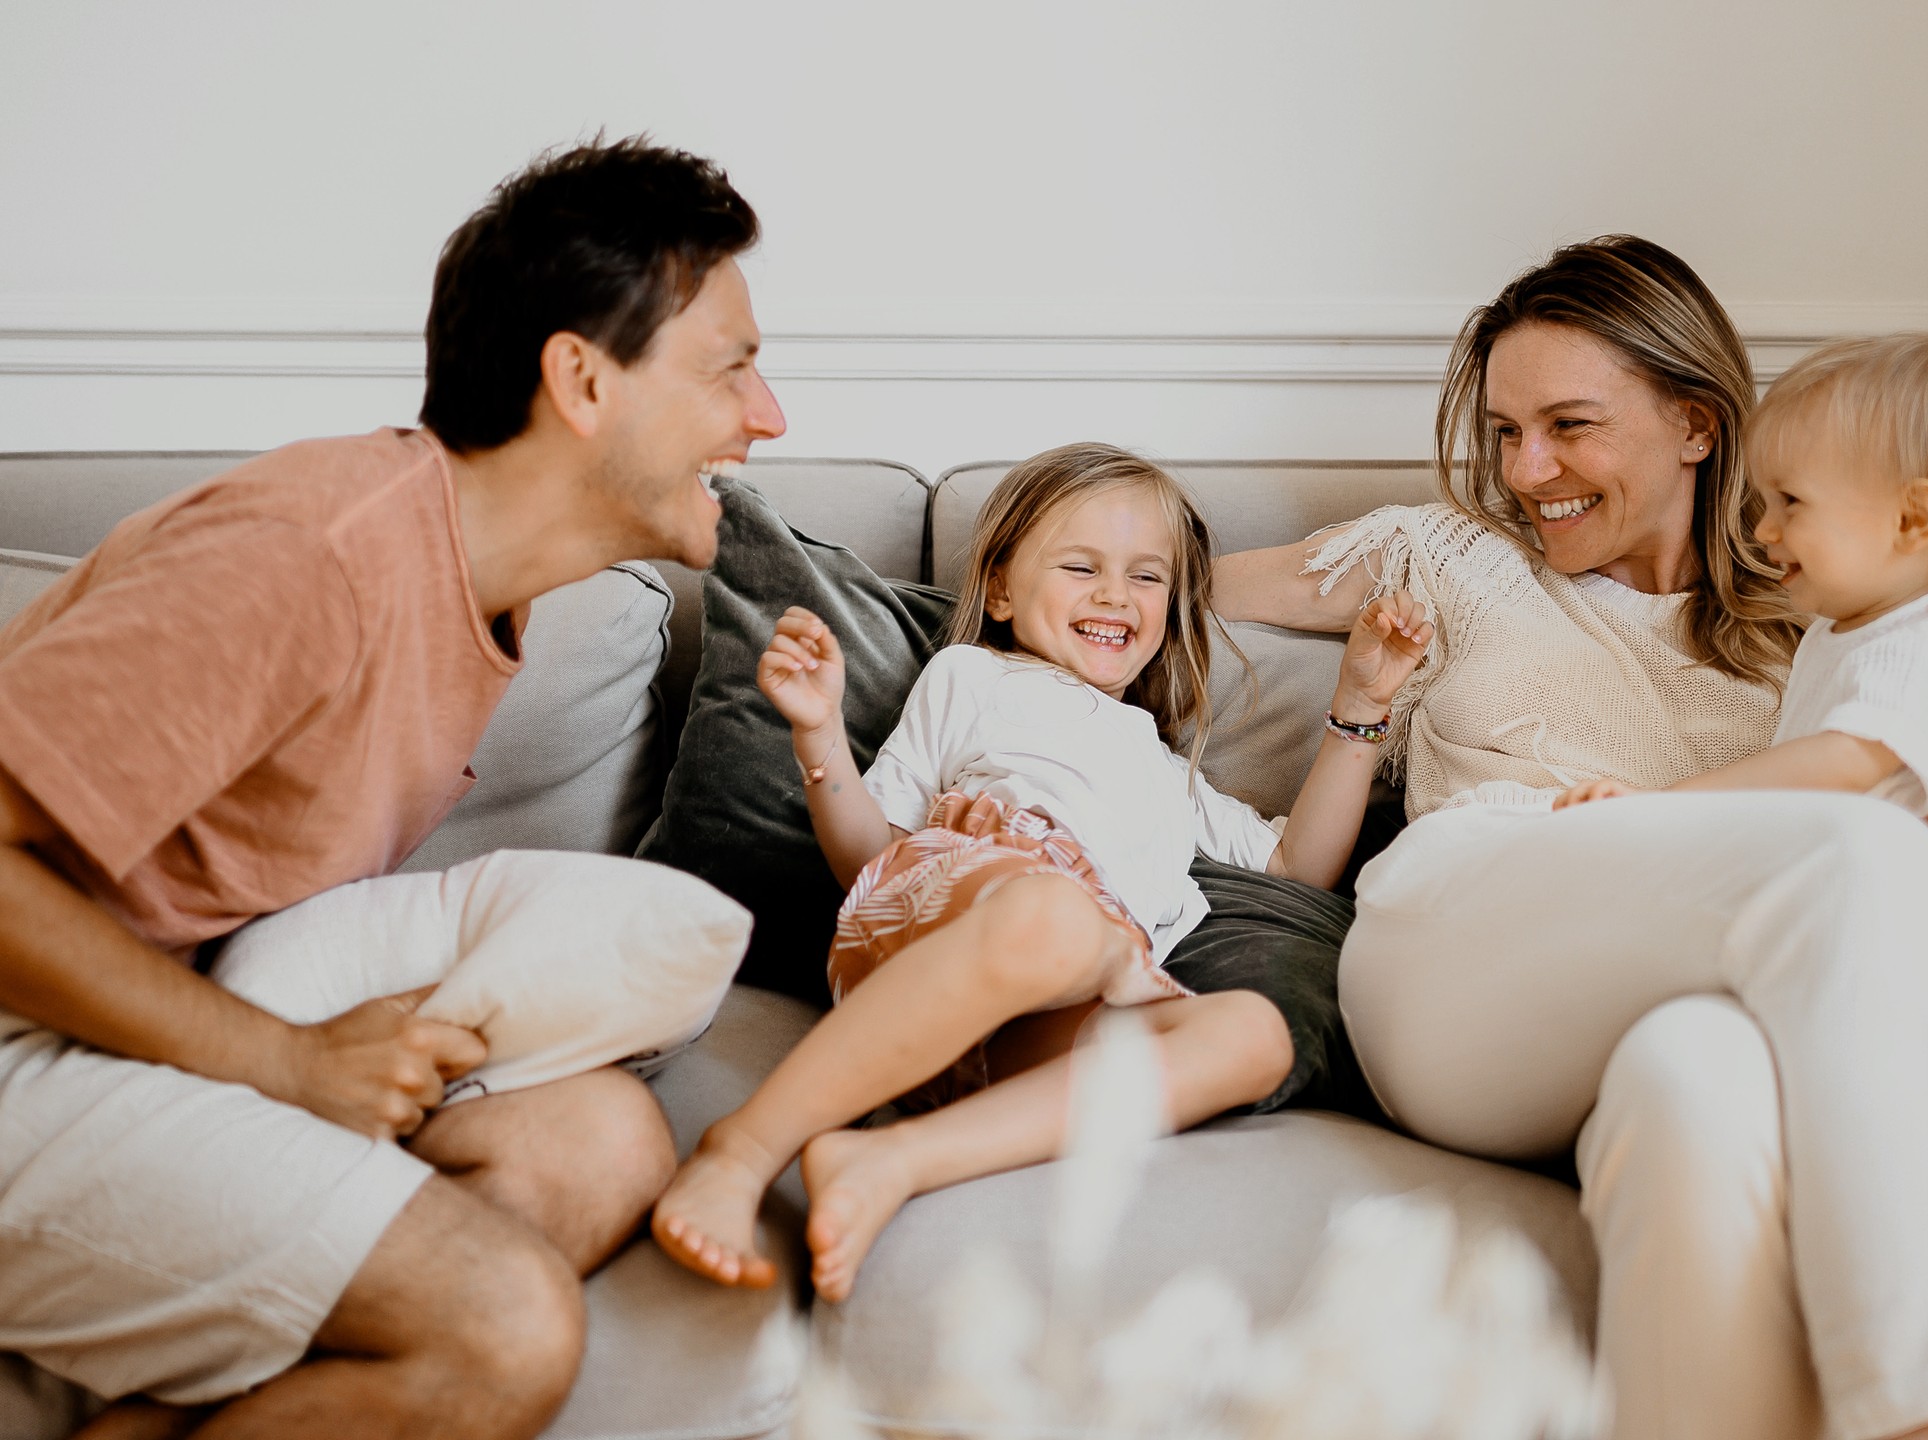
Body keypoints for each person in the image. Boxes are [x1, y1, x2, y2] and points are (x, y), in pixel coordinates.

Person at [1212, 237, 1928, 1440]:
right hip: (1460, 965)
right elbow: (1149, 576)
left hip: (1673, 1018)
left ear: (1698, 426)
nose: (1527, 470)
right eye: (1506, 431)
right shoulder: (1443, 552)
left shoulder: (1836, 610)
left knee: (1700, 1082)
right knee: (1866, 852)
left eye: (1568, 425)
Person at [0, 138, 786, 1440]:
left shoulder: (477, 586)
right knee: (505, 1326)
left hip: (125, 1038)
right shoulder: (311, 554)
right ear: (582, 380)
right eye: (732, 367)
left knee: (602, 1142)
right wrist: (282, 1064)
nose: (767, 417)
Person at [651, 442, 1430, 1302]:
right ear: (1000, 592)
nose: (1114, 595)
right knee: (1053, 919)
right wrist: (820, 737)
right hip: (955, 929)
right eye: (1081, 566)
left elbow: (1297, 867)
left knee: (1252, 1034)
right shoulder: (974, 677)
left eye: (1146, 577)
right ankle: (747, 1148)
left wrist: (1359, 709)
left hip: (1055, 1008)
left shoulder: (1167, 770)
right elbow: (867, 859)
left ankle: (888, 1158)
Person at [1556, 332, 1928, 1200]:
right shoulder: (1851, 628)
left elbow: (1847, 765)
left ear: (1914, 519)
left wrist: (1661, 807)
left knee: (1912, 1090)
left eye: (1790, 503)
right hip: (1892, 916)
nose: (1763, 530)